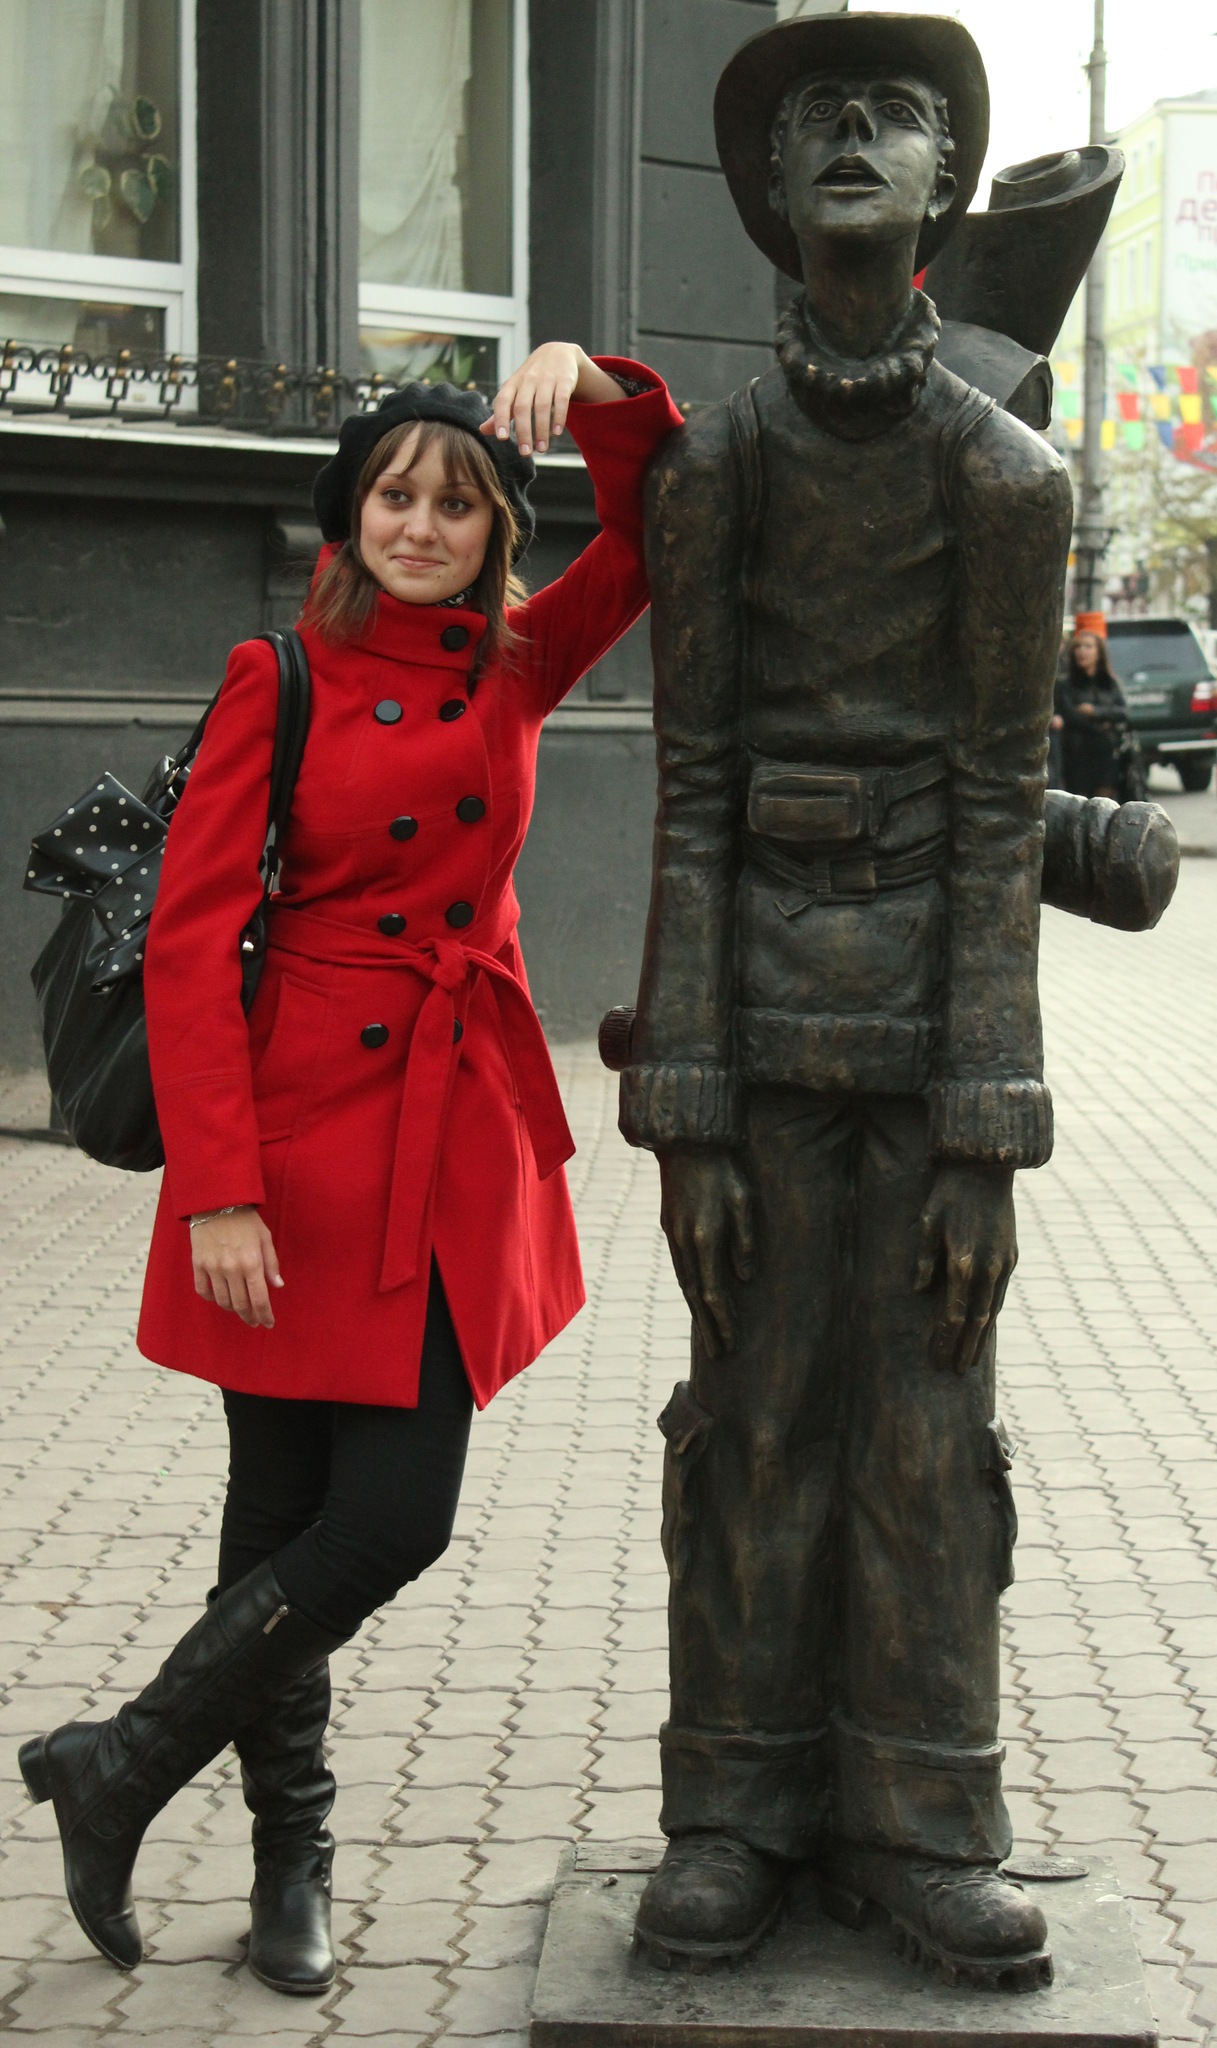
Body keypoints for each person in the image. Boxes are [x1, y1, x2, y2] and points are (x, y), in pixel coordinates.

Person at [17, 341, 682, 1993]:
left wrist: (592, 381)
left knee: (390, 1517)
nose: (422, 523)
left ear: (495, 530)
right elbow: (191, 943)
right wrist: (220, 1186)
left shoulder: (520, 660)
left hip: (444, 1147)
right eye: (396, 494)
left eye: (457, 501)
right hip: (293, 1141)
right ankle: (287, 1859)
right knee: (278, 1513)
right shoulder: (281, 674)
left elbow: (653, 529)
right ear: (352, 512)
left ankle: (121, 1763)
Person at [615, 13, 1071, 1989]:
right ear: (765, 184)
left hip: (925, 1031)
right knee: (752, 1416)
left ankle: (922, 1815)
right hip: (759, 1034)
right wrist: (687, 1109)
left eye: (895, 118)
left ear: (945, 183)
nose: (854, 142)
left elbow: (997, 806)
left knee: (922, 1433)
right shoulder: (713, 470)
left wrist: (981, 1134)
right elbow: (691, 789)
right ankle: (731, 1804)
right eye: (818, 120)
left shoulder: (1002, 475)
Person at [1055, 617, 1128, 799]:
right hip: (1077, 755)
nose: (1082, 651)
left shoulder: (1109, 683)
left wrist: (1095, 712)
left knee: (1104, 803)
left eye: (1088, 647)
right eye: (1078, 647)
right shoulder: (1065, 684)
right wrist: (1102, 723)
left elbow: (1123, 712)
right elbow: (1069, 714)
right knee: (1079, 803)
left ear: (1099, 652)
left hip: (1106, 753)